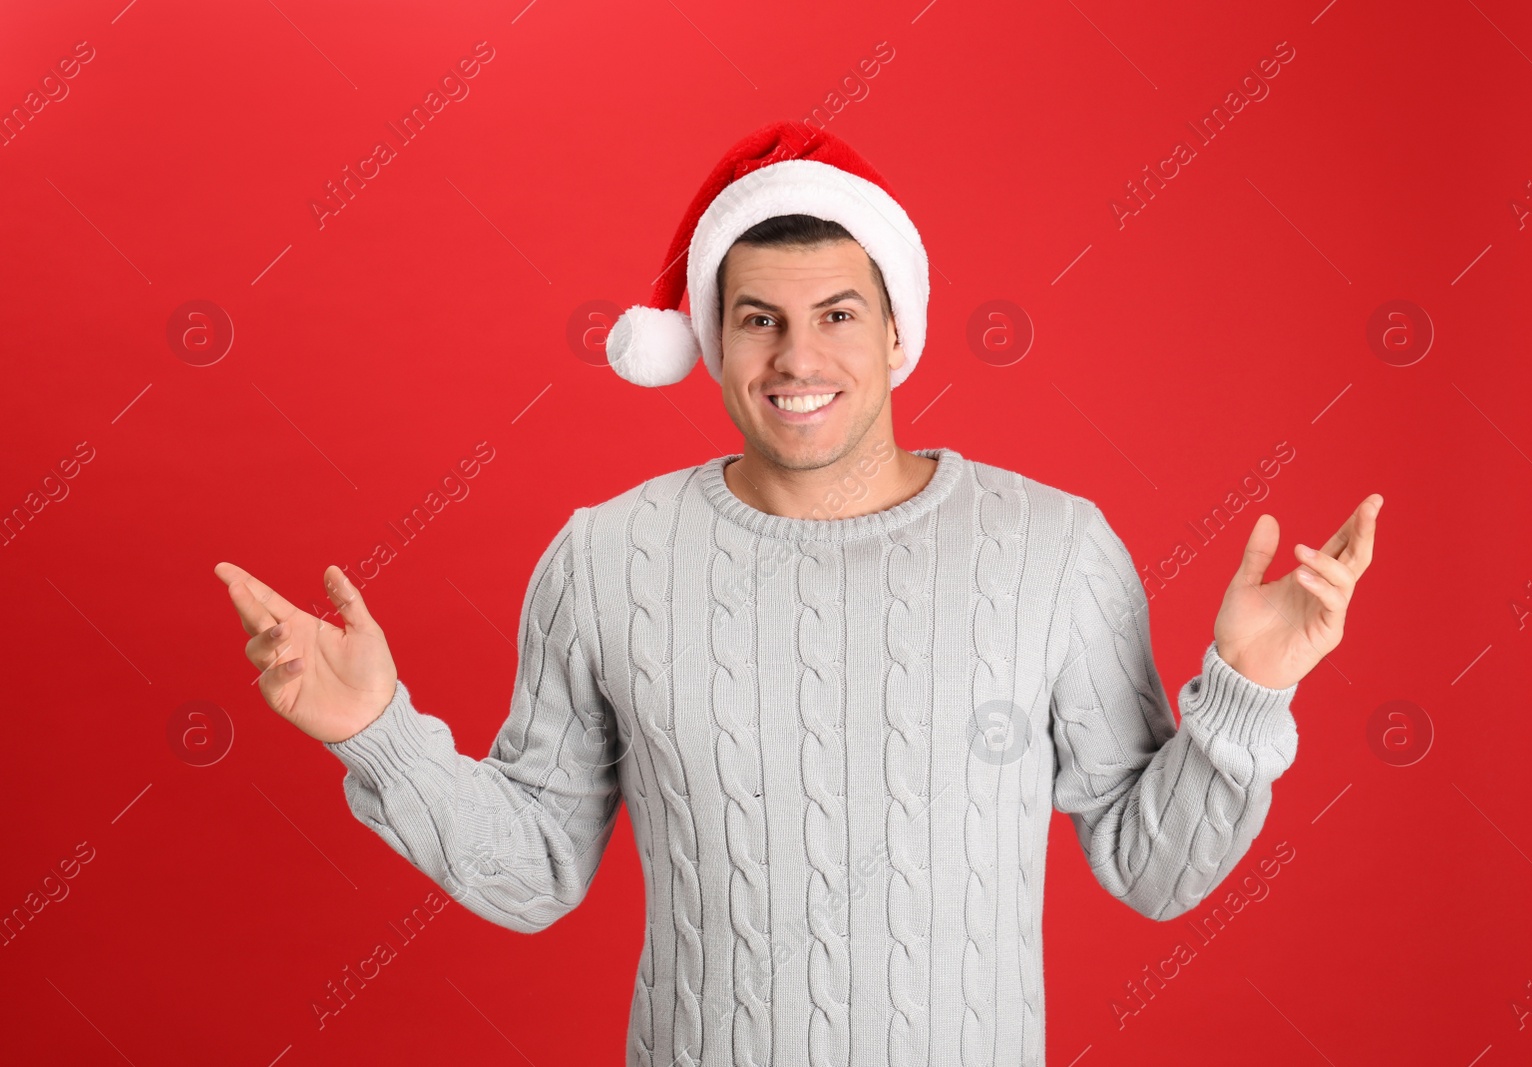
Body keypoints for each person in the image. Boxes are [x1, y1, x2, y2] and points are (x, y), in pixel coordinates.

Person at [214, 121, 1381, 1066]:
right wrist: (380, 736)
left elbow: (1151, 865)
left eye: (835, 316)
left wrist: (1246, 688)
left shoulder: (1052, 547)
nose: (796, 360)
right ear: (713, 342)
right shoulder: (604, 557)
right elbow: (535, 873)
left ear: (897, 335)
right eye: (757, 319)